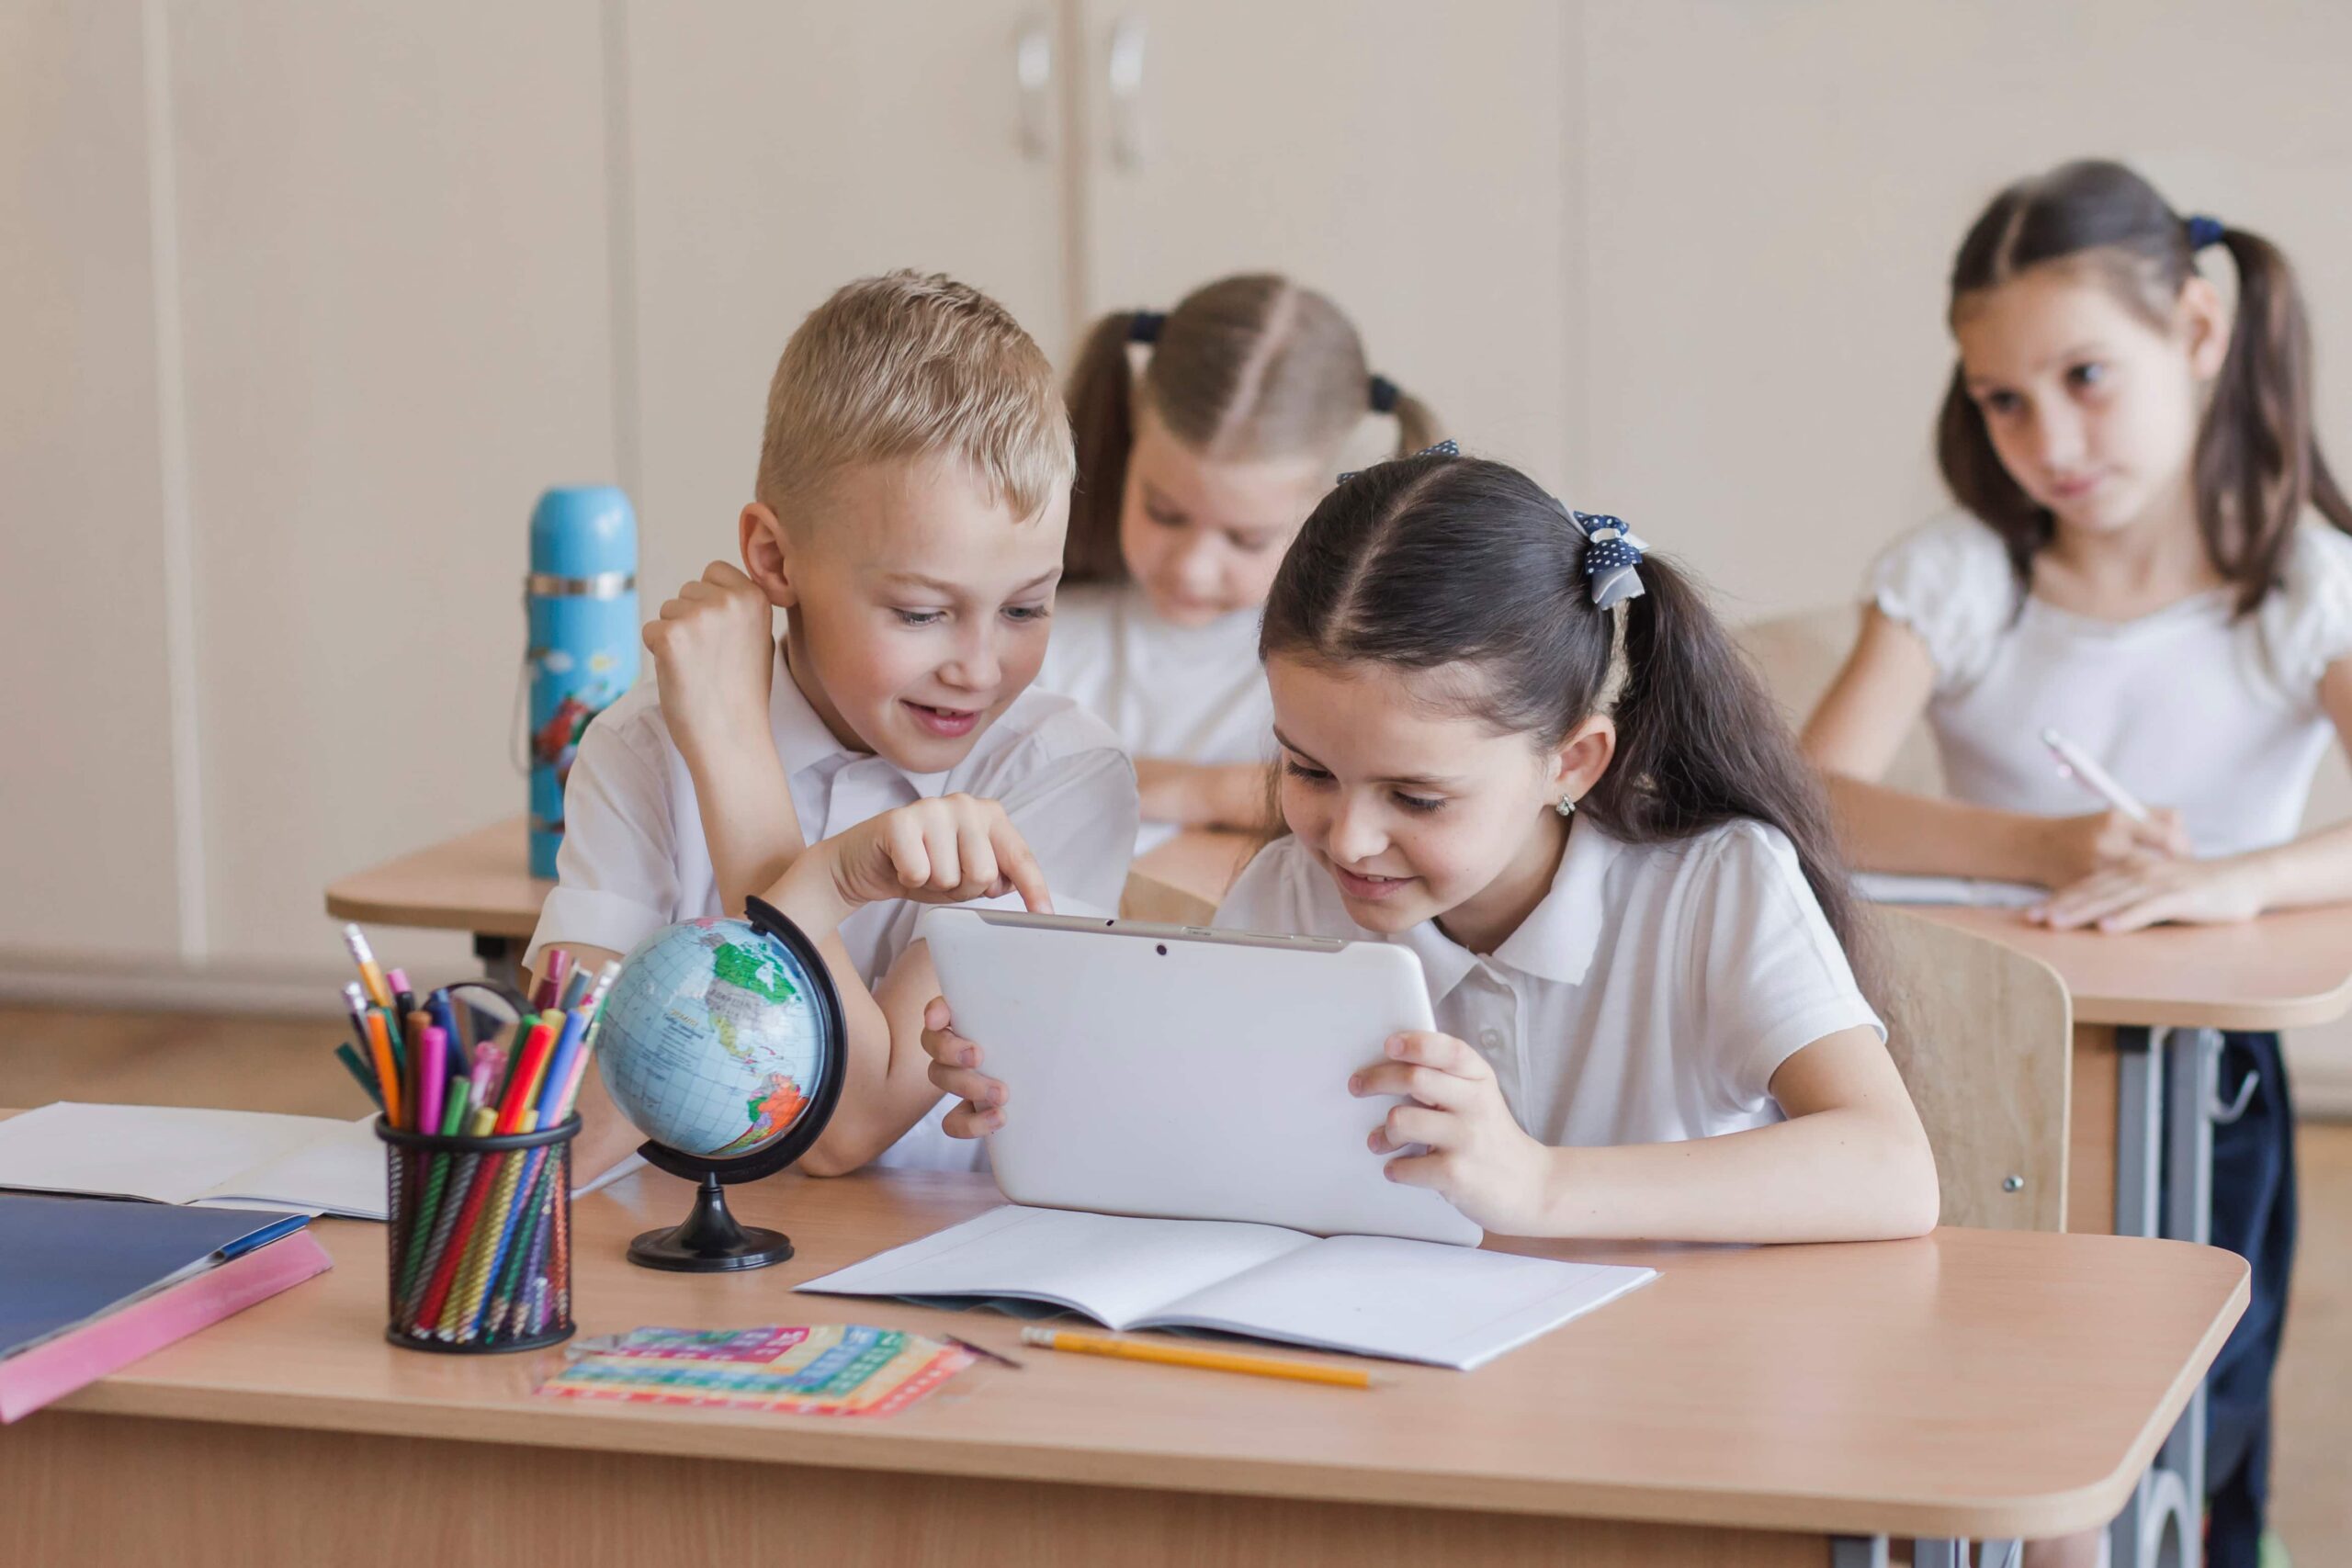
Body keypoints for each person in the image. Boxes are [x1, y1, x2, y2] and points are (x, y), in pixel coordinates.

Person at [927, 446, 1938, 1245]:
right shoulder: (1290, 893)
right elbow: (1218, 1160)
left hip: (1674, 1399)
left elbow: (1891, 1170)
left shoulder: (1714, 886)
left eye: (1416, 795)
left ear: (1572, 763)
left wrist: (1536, 1182)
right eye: (1309, 771)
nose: (1347, 839)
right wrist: (1048, 1094)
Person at [1802, 160, 2351, 1568]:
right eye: (2004, 398)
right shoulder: (1962, 571)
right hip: (1976, 1054)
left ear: (2201, 334)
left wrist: (2234, 878)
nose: (2048, 435)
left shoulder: (2297, 583)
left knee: (2190, 1406)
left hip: (2199, 1067)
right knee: (1991, 1394)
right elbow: (1809, 798)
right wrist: (2038, 844)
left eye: (2088, 376)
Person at [526, 271, 1138, 1180]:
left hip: (930, 1272)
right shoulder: (643, 745)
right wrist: (725, 752)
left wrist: (742, 774)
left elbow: (849, 1129)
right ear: (774, 558)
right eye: (922, 613)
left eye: (1024, 609)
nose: (978, 666)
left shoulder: (1058, 773)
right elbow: (548, 1130)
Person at [1041, 274, 1440, 847]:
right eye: (1165, 513)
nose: (1192, 568)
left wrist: (1196, 791)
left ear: (1329, 505)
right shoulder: (1046, 642)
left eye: (1247, 539)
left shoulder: (1355, 679)